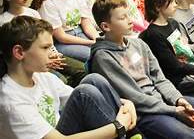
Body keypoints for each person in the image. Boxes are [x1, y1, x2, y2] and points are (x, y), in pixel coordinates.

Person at [89, 0, 194, 139]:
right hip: (143, 113)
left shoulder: (139, 44)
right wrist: (173, 110)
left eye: (129, 15)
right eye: (123, 18)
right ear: (105, 26)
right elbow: (133, 97)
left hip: (164, 102)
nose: (131, 20)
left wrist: (178, 100)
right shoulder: (103, 57)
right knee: (188, 137)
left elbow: (160, 79)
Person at [0, 16, 140, 139]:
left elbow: (87, 100)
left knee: (93, 80)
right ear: (19, 52)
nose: (53, 54)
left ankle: (130, 133)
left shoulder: (42, 77)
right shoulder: (11, 101)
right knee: (84, 92)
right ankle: (129, 133)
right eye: (45, 48)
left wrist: (124, 103)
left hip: (60, 130)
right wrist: (118, 126)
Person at [139, 0, 194, 99]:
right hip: (178, 81)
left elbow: (186, 52)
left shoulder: (173, 23)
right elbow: (175, 67)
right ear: (158, 7)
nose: (175, 5)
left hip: (189, 70)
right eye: (171, 2)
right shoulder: (153, 35)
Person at [31, 0, 98, 62]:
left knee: (102, 50)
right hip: (64, 41)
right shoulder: (48, 3)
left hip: (80, 32)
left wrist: (97, 38)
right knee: (93, 56)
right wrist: (90, 42)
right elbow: (61, 36)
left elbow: (86, 23)